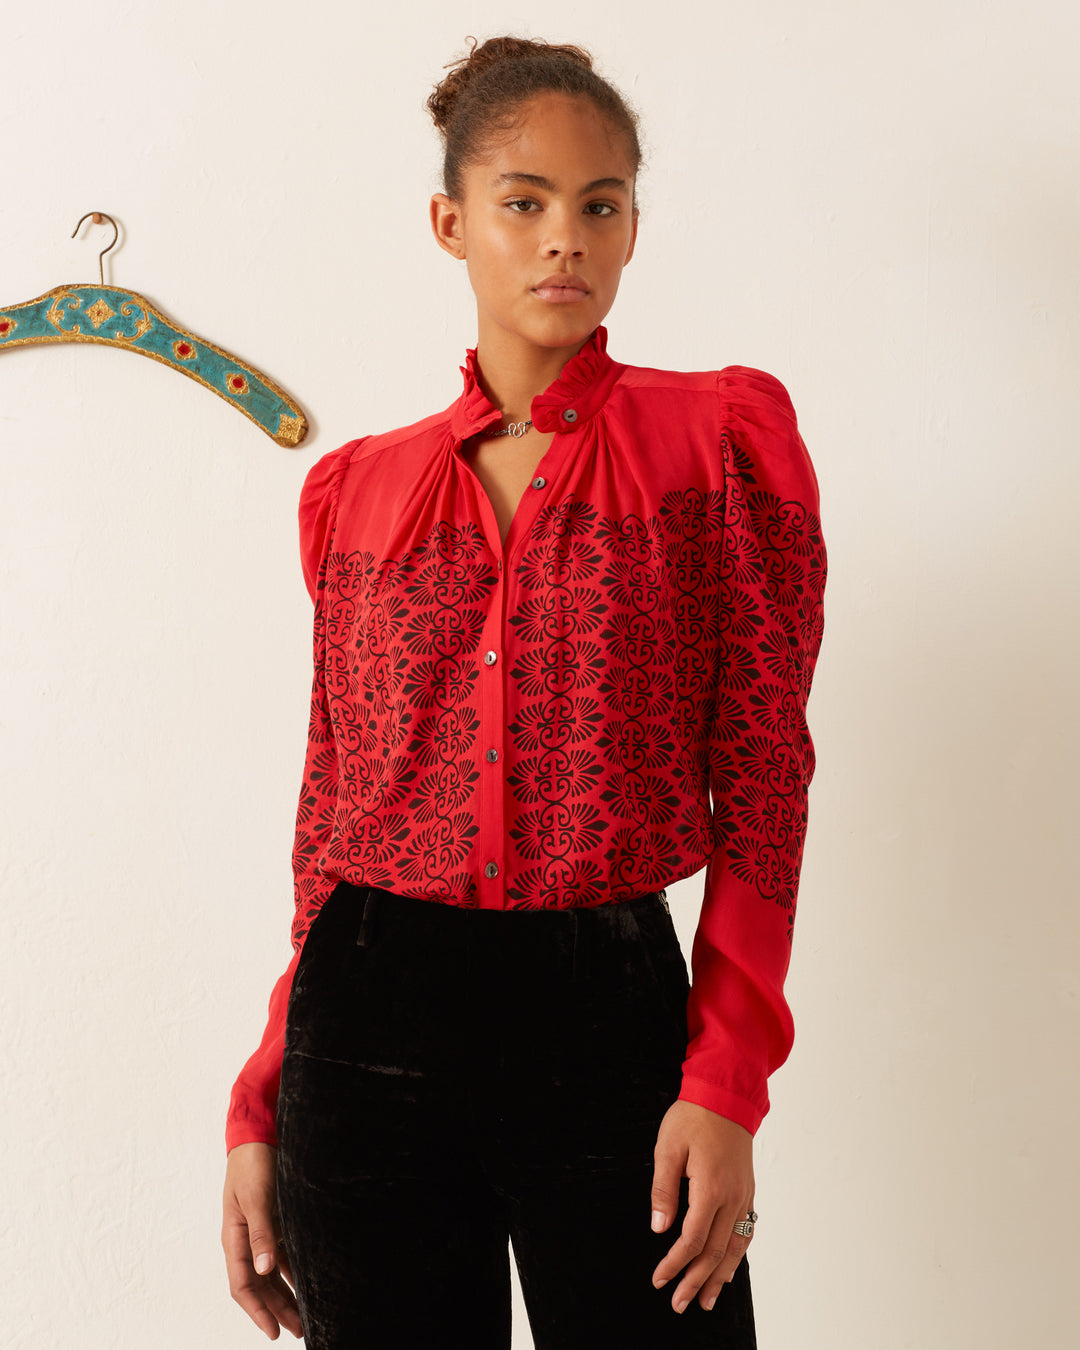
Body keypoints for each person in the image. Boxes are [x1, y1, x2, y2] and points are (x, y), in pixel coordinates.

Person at [220, 33, 826, 1350]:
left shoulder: (718, 441)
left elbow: (768, 776)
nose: (567, 239)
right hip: (361, 1029)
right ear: (452, 223)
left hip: (603, 1012)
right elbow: (335, 809)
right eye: (525, 201)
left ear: (631, 225)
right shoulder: (356, 489)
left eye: (599, 204)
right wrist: (262, 1098)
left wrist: (726, 1082)